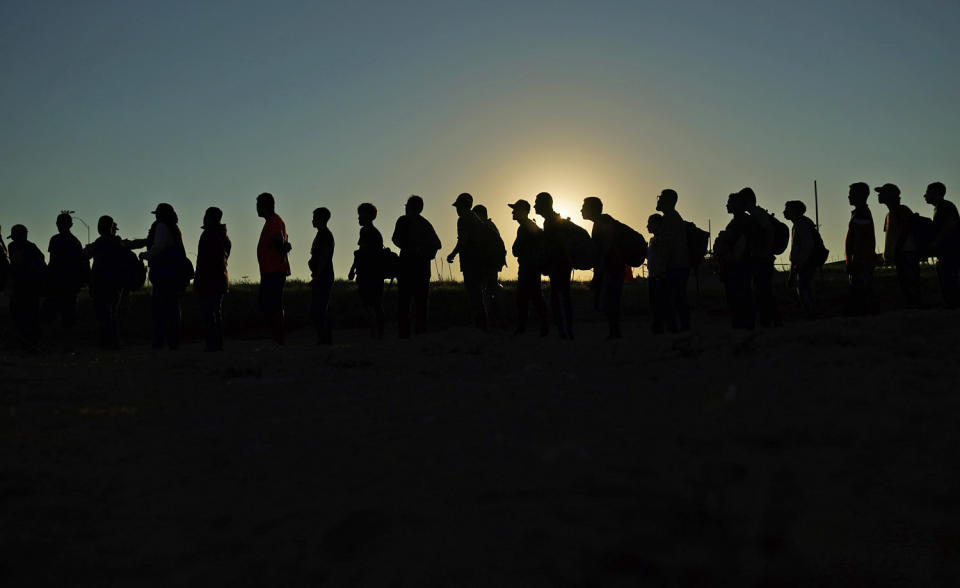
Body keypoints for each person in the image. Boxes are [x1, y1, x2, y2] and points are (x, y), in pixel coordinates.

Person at [84, 216, 140, 349]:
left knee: (103, 315)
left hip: (100, 284)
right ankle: (113, 342)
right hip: (115, 284)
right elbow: (133, 245)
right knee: (112, 313)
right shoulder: (117, 243)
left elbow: (85, 255)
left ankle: (107, 342)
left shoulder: (98, 244)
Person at [141, 203, 189, 350]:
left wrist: (145, 255)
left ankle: (159, 341)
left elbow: (158, 246)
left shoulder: (161, 227)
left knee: (160, 310)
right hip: (173, 275)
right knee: (172, 309)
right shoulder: (174, 229)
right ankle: (173, 341)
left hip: (163, 275)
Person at [392, 195, 441, 338]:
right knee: (421, 302)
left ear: (408, 206)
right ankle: (420, 332)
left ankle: (404, 333)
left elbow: (395, 239)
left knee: (404, 302)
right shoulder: (426, 224)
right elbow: (437, 244)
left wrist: (411, 248)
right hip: (422, 268)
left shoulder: (403, 220)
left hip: (407, 266)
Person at [581, 197, 624, 339]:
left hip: (612, 268)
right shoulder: (599, 223)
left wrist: (600, 266)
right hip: (609, 267)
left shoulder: (603, 221)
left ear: (593, 209)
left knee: (609, 300)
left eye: (584, 206)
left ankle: (615, 332)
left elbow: (607, 244)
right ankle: (614, 331)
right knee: (606, 300)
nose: (581, 210)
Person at [534, 192, 575, 339]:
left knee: (560, 298)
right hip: (560, 264)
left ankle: (565, 332)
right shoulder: (552, 220)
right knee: (560, 297)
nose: (534, 206)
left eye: (537, 202)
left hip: (559, 265)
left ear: (544, 205)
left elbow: (559, 244)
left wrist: (547, 260)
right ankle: (564, 331)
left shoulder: (551, 221)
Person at [741, 187, 782, 327]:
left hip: (762, 258)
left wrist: (765, 252)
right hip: (761, 257)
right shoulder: (756, 214)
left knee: (763, 291)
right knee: (762, 290)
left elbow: (768, 231)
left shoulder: (757, 214)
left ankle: (770, 321)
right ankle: (771, 320)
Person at [447, 193, 488, 329]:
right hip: (481, 260)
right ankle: (483, 324)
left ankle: (481, 325)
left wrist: (452, 254)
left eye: (457, 206)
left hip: (471, 262)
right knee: (479, 294)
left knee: (474, 294)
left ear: (461, 206)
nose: (456, 210)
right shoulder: (476, 218)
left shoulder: (463, 219)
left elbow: (463, 240)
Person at [714, 192, 755, 329]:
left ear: (738, 204)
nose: (727, 205)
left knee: (739, 297)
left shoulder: (741, 221)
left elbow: (735, 243)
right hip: (737, 265)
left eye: (730, 202)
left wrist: (723, 239)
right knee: (739, 297)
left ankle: (743, 326)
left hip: (738, 266)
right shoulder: (740, 221)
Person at [877, 183, 921, 308]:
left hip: (907, 253)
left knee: (910, 283)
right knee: (905, 283)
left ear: (890, 196)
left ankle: (915, 308)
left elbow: (904, 232)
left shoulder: (902, 211)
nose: (879, 195)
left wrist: (895, 250)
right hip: (901, 253)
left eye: (882, 192)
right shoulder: (889, 215)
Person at [509, 199, 549, 336]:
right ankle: (539, 328)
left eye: (515, 209)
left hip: (529, 266)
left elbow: (516, 249)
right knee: (530, 298)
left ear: (523, 211)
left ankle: (528, 329)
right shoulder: (528, 226)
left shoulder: (526, 227)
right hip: (530, 266)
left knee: (527, 298)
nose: (513, 212)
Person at [256, 192, 292, 344]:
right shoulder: (273, 221)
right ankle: (277, 337)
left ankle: (278, 338)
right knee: (272, 305)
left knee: (273, 306)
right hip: (271, 270)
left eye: (258, 205)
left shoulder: (274, 222)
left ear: (264, 206)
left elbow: (278, 241)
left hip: (273, 271)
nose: (256, 208)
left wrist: (283, 248)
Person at [654, 189, 692, 331]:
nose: (658, 200)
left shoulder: (670, 220)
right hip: (677, 266)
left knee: (671, 300)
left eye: (661, 198)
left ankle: (677, 330)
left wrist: (661, 267)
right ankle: (680, 328)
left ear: (669, 201)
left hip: (674, 267)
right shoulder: (672, 218)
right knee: (676, 299)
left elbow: (667, 246)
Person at [194, 207, 231, 351]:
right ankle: (217, 343)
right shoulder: (223, 236)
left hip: (208, 280)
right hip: (219, 279)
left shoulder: (208, 235)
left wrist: (198, 280)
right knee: (216, 312)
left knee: (209, 313)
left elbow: (204, 262)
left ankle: (212, 343)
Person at [46, 212, 89, 335]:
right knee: (69, 313)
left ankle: (55, 340)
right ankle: (68, 342)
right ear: (71, 224)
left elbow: (52, 262)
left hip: (58, 281)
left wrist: (48, 278)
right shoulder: (75, 241)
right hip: (71, 283)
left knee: (52, 312)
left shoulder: (55, 240)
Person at [6, 224, 46, 351]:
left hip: (21, 286)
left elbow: (15, 265)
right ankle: (31, 341)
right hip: (31, 286)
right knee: (31, 314)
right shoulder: (32, 247)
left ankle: (24, 342)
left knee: (18, 314)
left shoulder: (13, 246)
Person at [349, 202, 385, 339]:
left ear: (368, 216)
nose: (358, 218)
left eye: (360, 215)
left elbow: (361, 252)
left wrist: (353, 269)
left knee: (368, 304)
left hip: (368, 273)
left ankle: (374, 333)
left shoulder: (366, 231)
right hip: (376, 273)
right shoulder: (376, 233)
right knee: (376, 304)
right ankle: (379, 333)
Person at [923, 182, 960, 308]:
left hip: (950, 251)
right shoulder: (941, 207)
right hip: (946, 251)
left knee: (949, 279)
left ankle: (953, 306)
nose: (925, 195)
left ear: (937, 193)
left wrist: (937, 241)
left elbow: (950, 226)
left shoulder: (945, 206)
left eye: (928, 192)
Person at [472, 204, 507, 328]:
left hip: (489, 264)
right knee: (492, 290)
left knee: (489, 292)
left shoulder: (485, 227)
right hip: (493, 263)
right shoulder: (490, 226)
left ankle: (494, 320)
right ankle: (497, 319)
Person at [783, 200, 820, 317]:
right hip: (805, 263)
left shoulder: (800, 225)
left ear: (794, 211)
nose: (784, 212)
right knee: (805, 291)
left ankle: (812, 316)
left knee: (805, 291)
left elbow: (807, 245)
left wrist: (800, 263)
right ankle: (812, 316)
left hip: (804, 264)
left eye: (787, 209)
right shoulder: (801, 224)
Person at [845, 182, 876, 315]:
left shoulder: (861, 213)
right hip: (861, 260)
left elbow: (860, 240)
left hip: (861, 260)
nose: (849, 197)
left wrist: (853, 261)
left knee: (860, 292)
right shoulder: (860, 213)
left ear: (860, 195)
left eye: (851, 194)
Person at [310, 207, 335, 345]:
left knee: (318, 309)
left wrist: (317, 276)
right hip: (322, 275)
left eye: (314, 217)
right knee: (321, 308)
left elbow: (324, 257)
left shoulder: (324, 235)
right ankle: (325, 339)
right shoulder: (322, 234)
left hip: (323, 276)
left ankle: (324, 339)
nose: (312, 220)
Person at [646, 214, 670, 334]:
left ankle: (662, 327)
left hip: (660, 277)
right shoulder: (652, 241)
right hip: (653, 276)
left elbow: (663, 259)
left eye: (650, 223)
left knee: (660, 304)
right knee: (654, 304)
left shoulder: (662, 240)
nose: (647, 226)